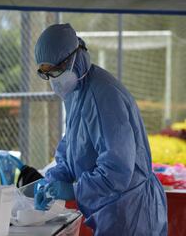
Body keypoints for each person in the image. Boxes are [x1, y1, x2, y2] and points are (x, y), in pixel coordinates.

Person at [33, 23, 168, 235]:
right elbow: (73, 146)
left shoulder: (105, 95)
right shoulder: (75, 93)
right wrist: (55, 179)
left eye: (57, 70)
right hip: (111, 211)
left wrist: (74, 190)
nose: (54, 80)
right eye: (46, 73)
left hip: (131, 213)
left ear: (76, 57)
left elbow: (118, 170)